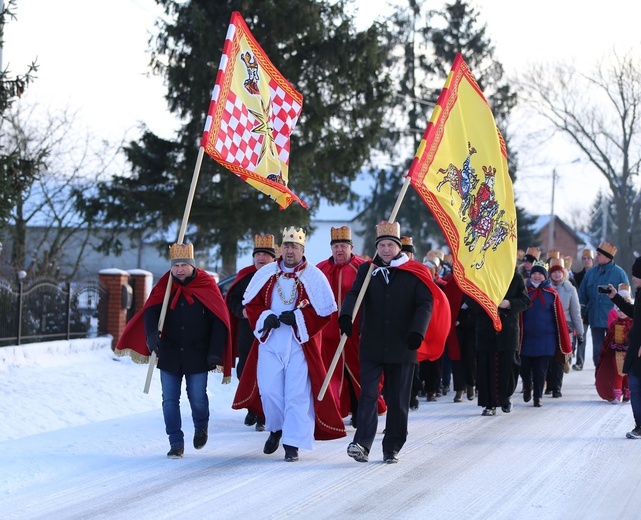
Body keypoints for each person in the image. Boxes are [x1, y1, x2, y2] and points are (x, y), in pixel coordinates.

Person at [232, 227, 346, 462]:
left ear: (302, 250)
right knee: (270, 391)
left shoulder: (314, 276)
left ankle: (292, 443)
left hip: (299, 344)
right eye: (286, 246)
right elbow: (251, 305)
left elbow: (324, 312)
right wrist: (265, 317)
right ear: (280, 249)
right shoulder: (266, 274)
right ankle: (276, 428)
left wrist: (299, 318)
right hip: (271, 342)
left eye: (294, 247)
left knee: (297, 394)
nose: (289, 251)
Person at [339, 221, 449, 464]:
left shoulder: (414, 272)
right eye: (382, 245)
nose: (386, 249)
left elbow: (425, 304)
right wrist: (346, 315)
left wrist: (417, 332)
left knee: (398, 400)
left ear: (399, 247)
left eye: (390, 245)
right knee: (368, 394)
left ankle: (392, 447)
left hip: (404, 345)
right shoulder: (367, 271)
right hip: (372, 344)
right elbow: (354, 294)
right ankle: (362, 444)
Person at [115, 243, 232, 458]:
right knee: (169, 399)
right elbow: (150, 311)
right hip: (169, 352)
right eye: (175, 265)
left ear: (192, 265)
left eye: (183, 265)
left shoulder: (205, 284)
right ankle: (176, 442)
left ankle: (201, 425)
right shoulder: (165, 285)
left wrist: (215, 351)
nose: (179, 270)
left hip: (198, 352)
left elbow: (219, 320)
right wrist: (151, 335)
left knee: (197, 397)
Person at [316, 226, 386, 427]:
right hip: (328, 332)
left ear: (351, 247)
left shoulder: (363, 267)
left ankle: (359, 410)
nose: (339, 250)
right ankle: (335, 412)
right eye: (336, 246)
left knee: (357, 372)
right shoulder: (321, 269)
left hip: (356, 331)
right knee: (333, 374)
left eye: (343, 246)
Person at [225, 233, 276, 431]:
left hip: (272, 333)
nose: (261, 258)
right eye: (258, 255)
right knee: (245, 371)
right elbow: (232, 299)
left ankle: (263, 414)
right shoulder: (245, 276)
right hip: (248, 333)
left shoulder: (279, 277)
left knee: (267, 373)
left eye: (265, 255)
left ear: (273, 258)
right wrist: (241, 311)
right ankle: (252, 408)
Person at [469, 271, 530, 415]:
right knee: (486, 367)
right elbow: (468, 298)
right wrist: (485, 304)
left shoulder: (515, 276)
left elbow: (525, 301)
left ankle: (506, 397)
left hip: (508, 329)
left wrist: (509, 303)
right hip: (486, 329)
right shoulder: (479, 274)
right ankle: (489, 404)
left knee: (509, 366)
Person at [520, 261, 572, 408]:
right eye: (534, 273)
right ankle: (527, 386)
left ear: (545, 276)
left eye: (540, 274)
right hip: (526, 338)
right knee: (524, 368)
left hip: (546, 339)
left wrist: (561, 340)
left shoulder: (552, 294)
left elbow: (559, 318)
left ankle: (538, 397)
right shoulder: (524, 292)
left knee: (540, 370)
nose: (537, 276)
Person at [605, 257, 641, 438]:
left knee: (636, 388)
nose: (633, 278)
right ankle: (639, 426)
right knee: (635, 388)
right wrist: (615, 297)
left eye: (636, 275)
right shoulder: (640, 293)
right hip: (636, 348)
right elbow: (634, 312)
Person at [579, 241, 629, 368]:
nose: (596, 257)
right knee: (597, 350)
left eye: (599, 255)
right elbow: (583, 295)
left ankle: (613, 377)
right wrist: (581, 314)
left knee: (615, 348)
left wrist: (625, 315)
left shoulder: (619, 273)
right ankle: (600, 374)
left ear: (608, 257)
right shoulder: (591, 273)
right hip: (595, 317)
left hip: (614, 319)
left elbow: (626, 297)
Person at [546, 258, 584, 398]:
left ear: (563, 273)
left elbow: (576, 312)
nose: (556, 275)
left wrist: (580, 333)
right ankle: (548, 384)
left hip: (565, 329)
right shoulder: (545, 288)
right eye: (553, 272)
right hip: (548, 328)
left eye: (559, 272)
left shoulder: (570, 289)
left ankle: (556, 387)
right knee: (548, 357)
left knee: (560, 359)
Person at [596, 284, 632, 404]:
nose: (621, 313)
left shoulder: (632, 323)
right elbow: (609, 337)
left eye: (623, 310)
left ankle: (627, 391)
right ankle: (617, 394)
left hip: (629, 353)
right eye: (619, 310)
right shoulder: (615, 323)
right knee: (618, 373)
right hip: (616, 353)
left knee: (626, 374)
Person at [572, 248, 594, 371]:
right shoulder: (578, 276)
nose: (586, 261)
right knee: (581, 336)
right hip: (583, 310)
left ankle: (600, 363)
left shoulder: (598, 274)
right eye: (584, 259)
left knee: (599, 341)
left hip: (596, 309)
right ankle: (579, 361)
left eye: (588, 258)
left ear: (592, 260)